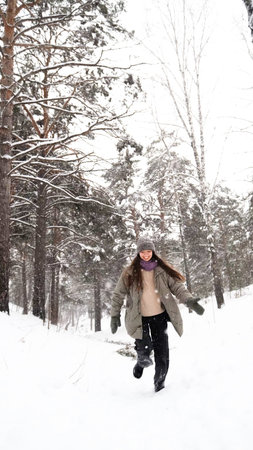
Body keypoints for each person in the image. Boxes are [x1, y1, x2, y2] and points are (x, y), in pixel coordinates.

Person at [110, 236, 204, 392]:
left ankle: (159, 384)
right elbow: (118, 294)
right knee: (144, 351)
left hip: (159, 317)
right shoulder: (130, 273)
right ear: (138, 253)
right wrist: (114, 315)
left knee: (162, 354)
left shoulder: (161, 271)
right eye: (143, 252)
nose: (146, 255)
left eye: (148, 251)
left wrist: (190, 301)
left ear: (153, 251)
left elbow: (178, 288)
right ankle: (141, 362)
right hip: (140, 319)